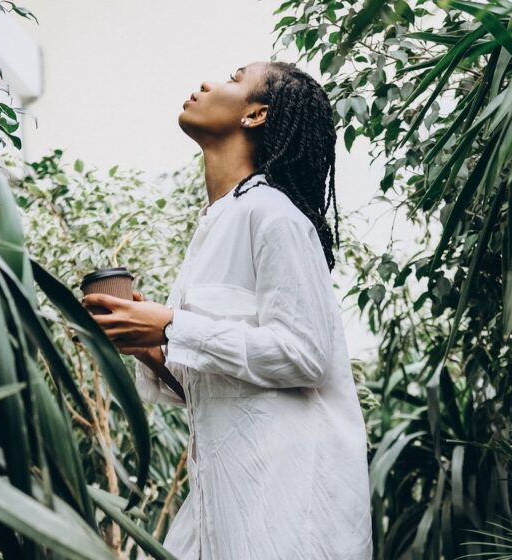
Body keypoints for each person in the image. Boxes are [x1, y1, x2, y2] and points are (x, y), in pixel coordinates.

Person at [82, 61, 373, 560]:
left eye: (234, 79)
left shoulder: (274, 214)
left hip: (287, 507)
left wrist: (171, 323)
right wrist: (149, 344)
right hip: (222, 501)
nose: (206, 84)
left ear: (256, 114)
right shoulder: (214, 229)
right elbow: (217, 379)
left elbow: (304, 355)